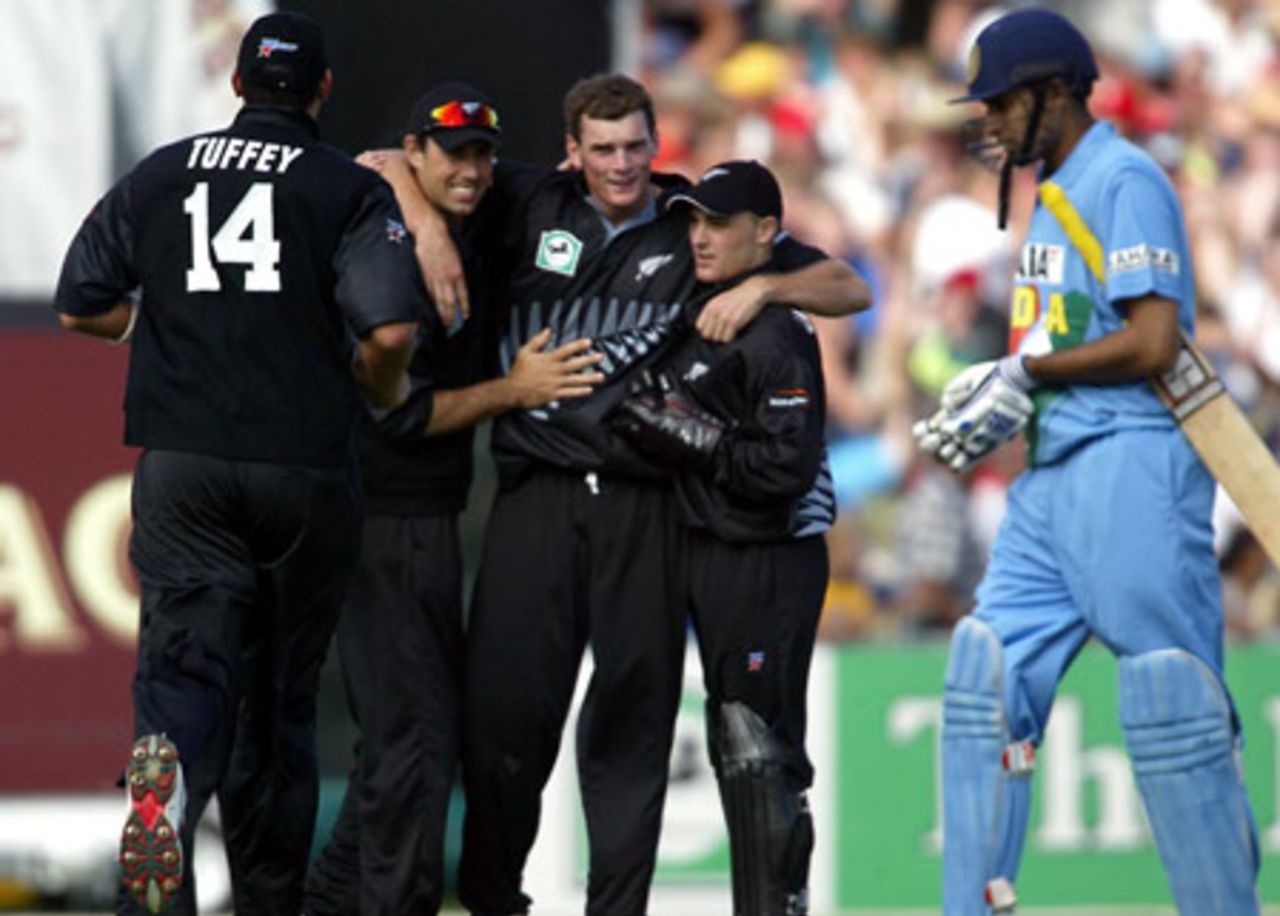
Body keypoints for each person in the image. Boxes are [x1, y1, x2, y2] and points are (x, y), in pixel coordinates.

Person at [374, 72, 869, 916]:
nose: (621, 164)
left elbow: (848, 287)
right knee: (504, 725)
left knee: (633, 726)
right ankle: (495, 899)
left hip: (647, 505)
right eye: (602, 148)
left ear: (655, 144)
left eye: (636, 145)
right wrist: (425, 232)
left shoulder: (693, 225)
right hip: (534, 496)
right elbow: (382, 162)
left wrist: (764, 287)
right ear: (572, 152)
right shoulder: (525, 202)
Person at [53, 12, 425, 915]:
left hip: (183, 464)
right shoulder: (345, 188)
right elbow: (390, 330)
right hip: (301, 469)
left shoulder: (163, 172)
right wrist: (375, 386)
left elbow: (79, 303)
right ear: (323, 91)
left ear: (237, 86)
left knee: (187, 672)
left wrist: (158, 328)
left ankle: (166, 788)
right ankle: (267, 896)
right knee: (279, 700)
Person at [912, 9, 1261, 914]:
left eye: (1000, 103)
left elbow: (1152, 340)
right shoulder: (1053, 191)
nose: (986, 121)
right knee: (980, 682)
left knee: (1169, 703)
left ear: (1055, 92)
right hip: (1053, 474)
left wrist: (1022, 369)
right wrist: (1011, 385)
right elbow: (1068, 338)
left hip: (1133, 465)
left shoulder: (1125, 179)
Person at [303, 81, 604, 916]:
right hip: (382, 514)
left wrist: (434, 222)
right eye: (451, 153)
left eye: (482, 151)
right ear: (418, 155)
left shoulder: (476, 213)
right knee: (413, 748)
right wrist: (515, 391)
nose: (471, 168)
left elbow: (385, 164)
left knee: (405, 751)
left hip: (423, 518)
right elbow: (397, 416)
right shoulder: (381, 247)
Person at [613, 160, 837, 915]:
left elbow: (787, 466)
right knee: (736, 744)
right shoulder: (702, 309)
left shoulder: (776, 329)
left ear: (765, 233)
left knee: (759, 750)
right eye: (693, 222)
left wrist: (692, 436)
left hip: (767, 557)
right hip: (712, 550)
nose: (699, 238)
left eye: (717, 224)